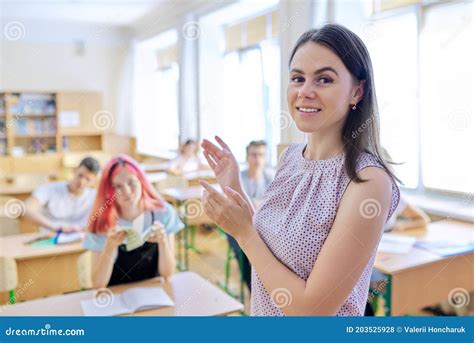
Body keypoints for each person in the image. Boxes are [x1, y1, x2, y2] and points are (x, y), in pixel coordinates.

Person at [200, 24, 400, 316]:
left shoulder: (368, 181)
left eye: (324, 79)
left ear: (357, 91)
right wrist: (235, 187)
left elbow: (313, 313)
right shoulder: (290, 157)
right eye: (297, 78)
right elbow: (272, 241)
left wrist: (242, 232)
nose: (305, 91)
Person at [83, 155, 184, 288]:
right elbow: (98, 284)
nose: (127, 192)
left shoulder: (163, 213)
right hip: (115, 298)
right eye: (118, 187)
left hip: (153, 294)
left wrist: (163, 241)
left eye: (131, 182)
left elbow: (168, 274)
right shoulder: (101, 223)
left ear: (141, 181)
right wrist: (109, 247)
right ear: (109, 191)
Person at [227, 140, 274, 291]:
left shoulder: (271, 178)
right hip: (239, 227)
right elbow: (235, 206)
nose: (258, 159)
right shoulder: (238, 178)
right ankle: (252, 291)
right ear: (247, 157)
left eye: (261, 155)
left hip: (264, 227)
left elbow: (275, 205)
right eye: (254, 155)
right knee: (246, 252)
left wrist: (255, 204)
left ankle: (269, 288)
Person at [24, 157, 100, 234]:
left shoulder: (94, 196)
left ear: (94, 180)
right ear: (74, 170)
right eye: (80, 175)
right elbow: (27, 209)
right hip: (51, 235)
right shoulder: (49, 189)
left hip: (79, 238)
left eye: (88, 179)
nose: (82, 181)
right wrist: (55, 227)